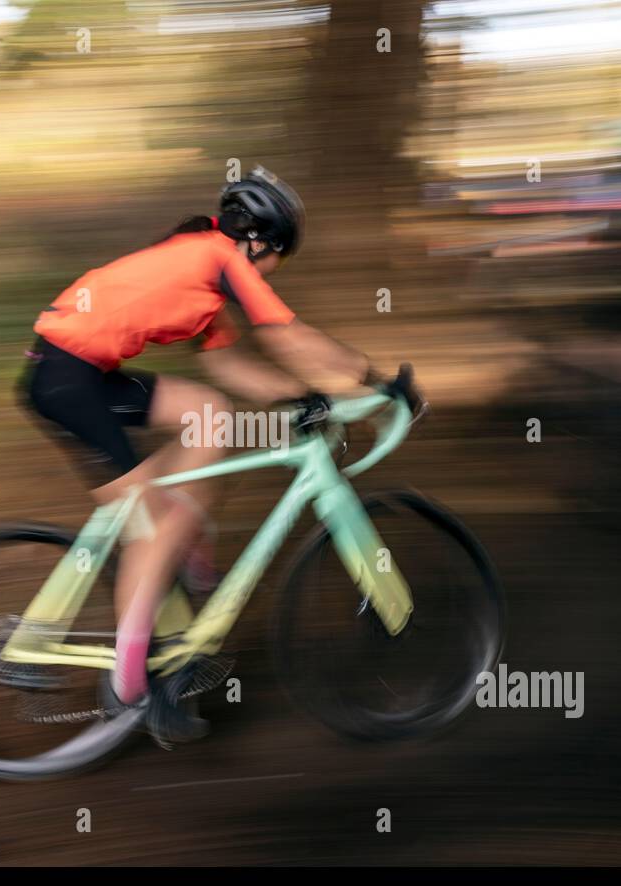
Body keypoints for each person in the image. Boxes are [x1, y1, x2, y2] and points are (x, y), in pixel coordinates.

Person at [21, 166, 370, 742]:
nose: (278, 269)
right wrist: (374, 379)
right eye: (282, 257)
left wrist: (302, 396)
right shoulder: (217, 256)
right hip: (67, 382)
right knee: (156, 527)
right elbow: (287, 336)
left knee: (208, 411)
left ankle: (183, 556)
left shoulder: (201, 272)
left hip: (74, 372)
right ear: (260, 241)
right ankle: (130, 688)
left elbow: (230, 367)